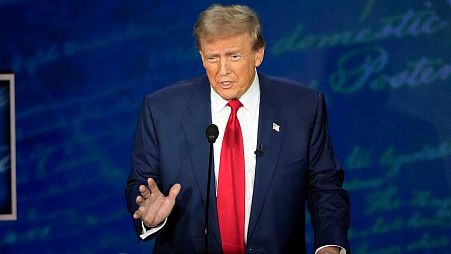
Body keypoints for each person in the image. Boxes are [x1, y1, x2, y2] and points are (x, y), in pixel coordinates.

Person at [125, 4, 350, 254]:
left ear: (258, 54)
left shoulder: (303, 107)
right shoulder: (161, 110)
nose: (223, 71)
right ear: (201, 57)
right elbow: (142, 184)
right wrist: (149, 218)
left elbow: (325, 186)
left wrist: (330, 245)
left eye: (234, 56)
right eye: (213, 58)